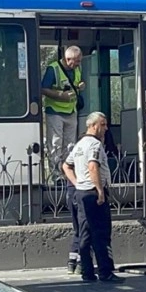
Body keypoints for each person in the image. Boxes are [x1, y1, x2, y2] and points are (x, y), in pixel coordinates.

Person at [62, 111, 124, 283]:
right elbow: (93, 167)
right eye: (103, 124)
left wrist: (77, 183)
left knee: (85, 234)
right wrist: (100, 190)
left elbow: (66, 166)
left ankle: (87, 273)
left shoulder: (79, 144)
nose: (106, 128)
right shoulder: (95, 145)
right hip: (93, 192)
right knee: (101, 233)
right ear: (93, 125)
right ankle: (105, 272)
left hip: (81, 193)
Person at [41, 45, 85, 272]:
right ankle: (56, 175)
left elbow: (77, 84)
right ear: (66, 58)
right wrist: (60, 94)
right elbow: (43, 89)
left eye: (77, 63)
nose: (75, 66)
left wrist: (78, 87)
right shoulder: (52, 68)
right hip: (55, 111)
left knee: (71, 146)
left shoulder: (76, 69)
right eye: (73, 62)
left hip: (71, 111)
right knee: (56, 145)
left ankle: (68, 175)